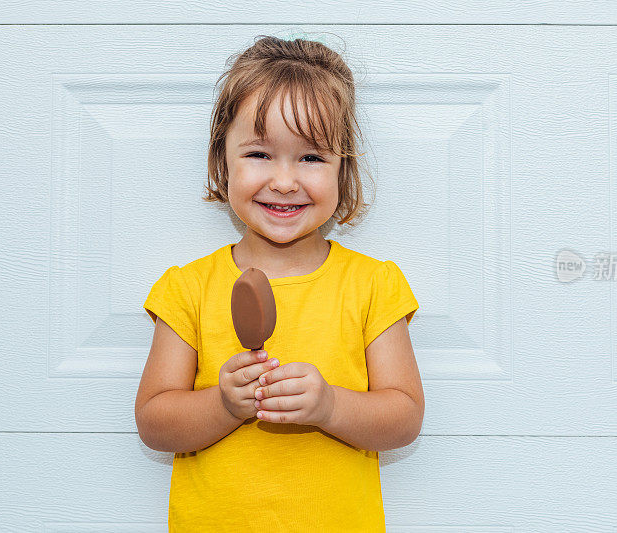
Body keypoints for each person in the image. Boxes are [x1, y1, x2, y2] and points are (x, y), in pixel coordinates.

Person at [134, 34, 424, 532]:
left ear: (343, 171)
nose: (285, 181)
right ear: (222, 162)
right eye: (260, 154)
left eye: (312, 158)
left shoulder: (374, 284)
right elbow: (155, 423)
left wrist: (330, 404)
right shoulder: (188, 288)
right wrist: (224, 404)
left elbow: (404, 418)